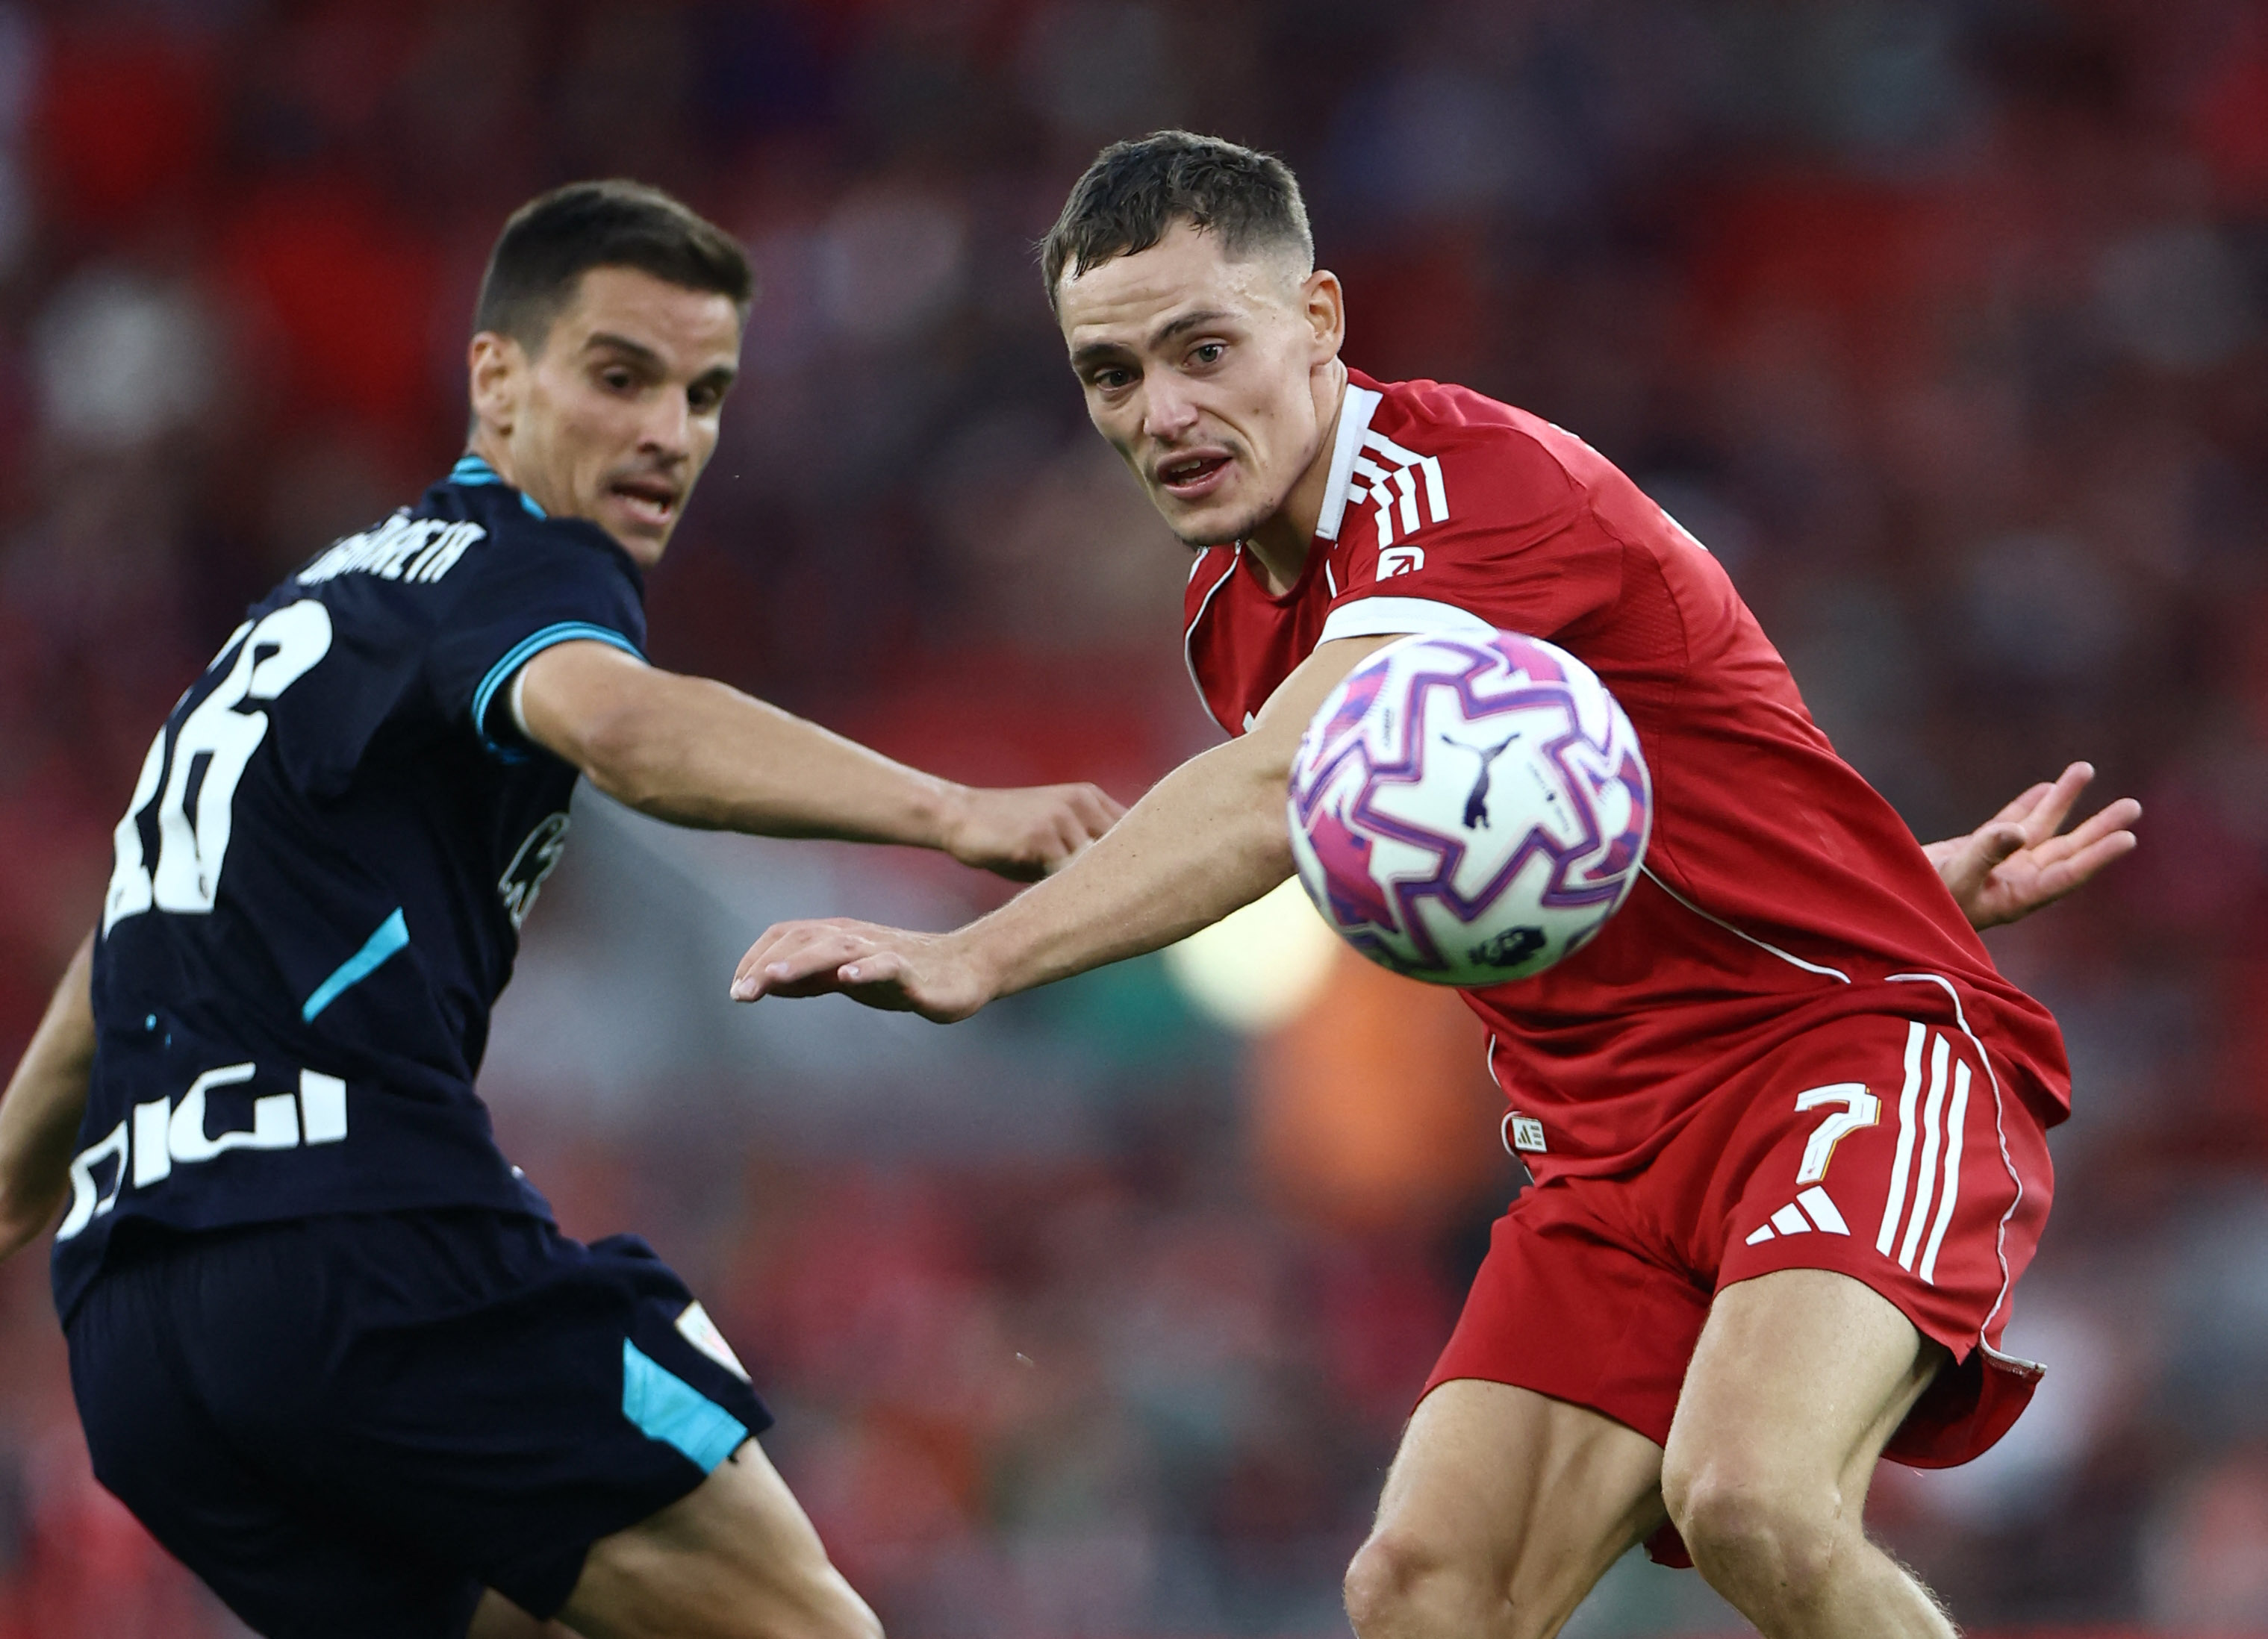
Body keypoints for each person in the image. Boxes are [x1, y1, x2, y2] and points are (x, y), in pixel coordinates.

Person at [730, 133, 2142, 1639]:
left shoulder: (1465, 487)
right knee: (1423, 1590)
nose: (1163, 414)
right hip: (1608, 1148)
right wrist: (1896, 875)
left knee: (1753, 1499)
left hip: (1834, 1059)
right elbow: (1565, 824)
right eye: (1112, 374)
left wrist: (982, 957)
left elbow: (1280, 791)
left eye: (1204, 349)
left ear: (1322, 321)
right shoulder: (1235, 613)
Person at [0, 178, 1124, 1639]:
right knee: (804, 1624)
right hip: (356, 1245)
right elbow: (626, 730)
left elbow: (114, 974)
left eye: (704, 392)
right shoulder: (513, 560)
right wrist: (957, 813)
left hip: (142, 1344)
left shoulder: (288, 628)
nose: (669, 432)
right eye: (619, 374)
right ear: (495, 378)